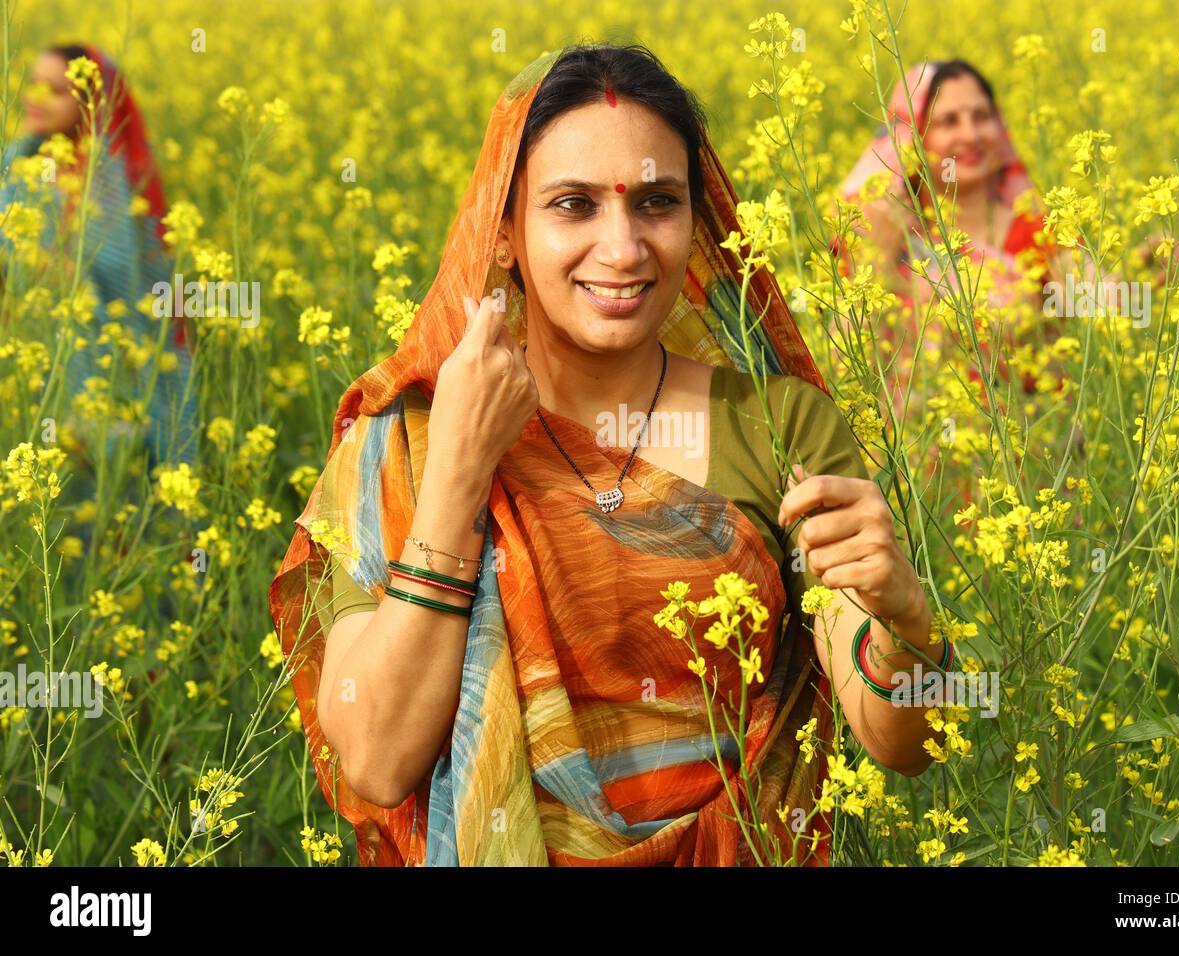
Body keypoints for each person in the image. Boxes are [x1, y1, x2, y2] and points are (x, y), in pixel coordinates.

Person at [270, 43, 956, 867]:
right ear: (504, 231)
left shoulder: (779, 429)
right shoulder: (410, 439)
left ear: (697, 224)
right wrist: (458, 476)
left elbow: (901, 746)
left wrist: (906, 615)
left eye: (657, 203)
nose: (623, 247)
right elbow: (378, 761)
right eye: (573, 205)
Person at [1, 43, 198, 471]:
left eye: (54, 90)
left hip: (110, 368)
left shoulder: (114, 180)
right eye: (33, 84)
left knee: (107, 497)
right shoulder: (16, 162)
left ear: (92, 99)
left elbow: (135, 285)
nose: (35, 99)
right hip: (25, 367)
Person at [832, 60, 1062, 415]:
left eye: (981, 117)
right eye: (948, 121)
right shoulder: (882, 230)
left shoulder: (1037, 227)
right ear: (913, 136)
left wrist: (1146, 271)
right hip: (905, 453)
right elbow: (844, 360)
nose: (970, 135)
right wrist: (877, 258)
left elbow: (1098, 303)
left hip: (1022, 453)